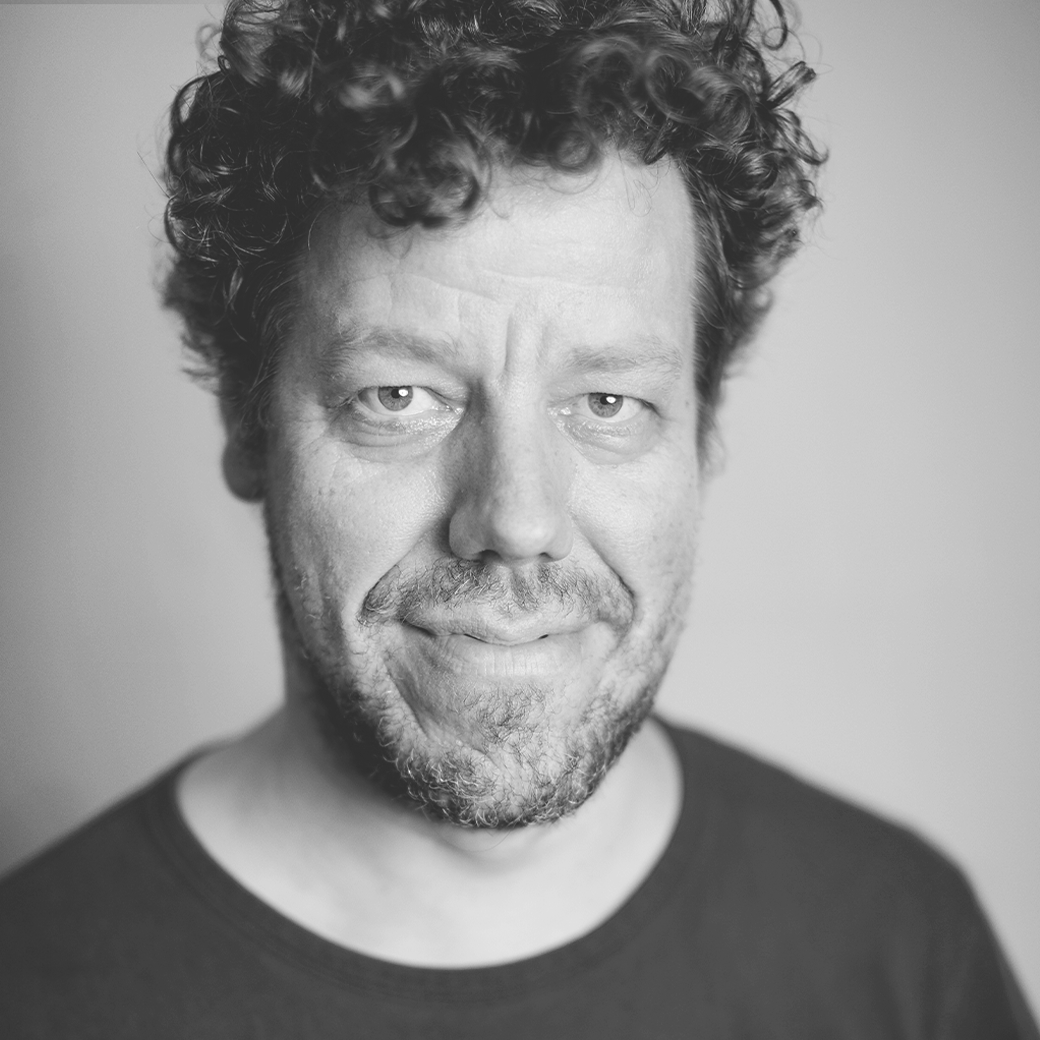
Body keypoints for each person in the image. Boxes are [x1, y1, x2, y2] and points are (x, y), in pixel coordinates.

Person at [0, 0, 1036, 1035]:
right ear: (246, 419)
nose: (517, 518)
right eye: (398, 395)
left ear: (702, 432)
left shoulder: (900, 950)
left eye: (607, 402)